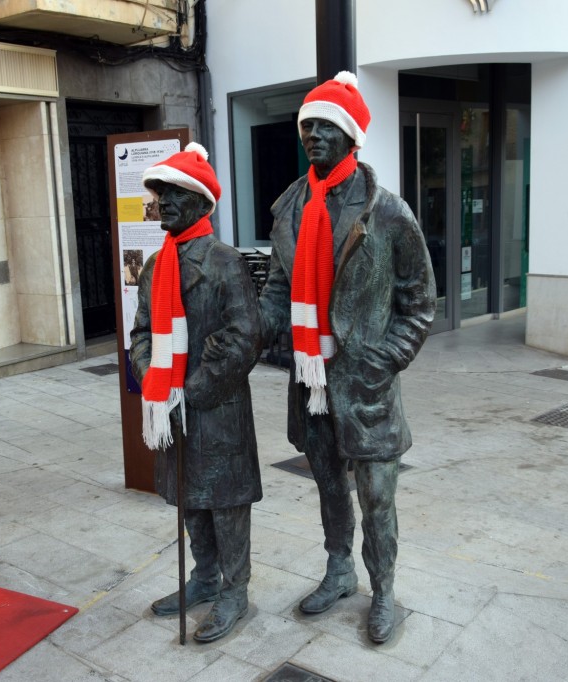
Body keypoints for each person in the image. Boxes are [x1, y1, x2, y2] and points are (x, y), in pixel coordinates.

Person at [258, 71, 436, 644]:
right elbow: (277, 290)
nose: (313, 133)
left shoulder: (387, 212)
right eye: (308, 123)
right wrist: (255, 336)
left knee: (377, 495)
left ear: (352, 136)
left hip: (365, 383)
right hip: (310, 379)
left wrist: (389, 355)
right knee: (329, 485)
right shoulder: (290, 208)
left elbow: (420, 302)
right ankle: (339, 571)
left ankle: (383, 591)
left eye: (326, 125)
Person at [129, 142, 262, 643]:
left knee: (225, 503)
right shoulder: (153, 267)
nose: (162, 201)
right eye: (159, 192)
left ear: (202, 202)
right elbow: (141, 333)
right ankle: (204, 576)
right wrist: (153, 379)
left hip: (215, 406)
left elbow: (245, 334)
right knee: (189, 498)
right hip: (170, 407)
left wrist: (195, 387)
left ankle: (235, 589)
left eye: (174, 192)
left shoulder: (225, 262)